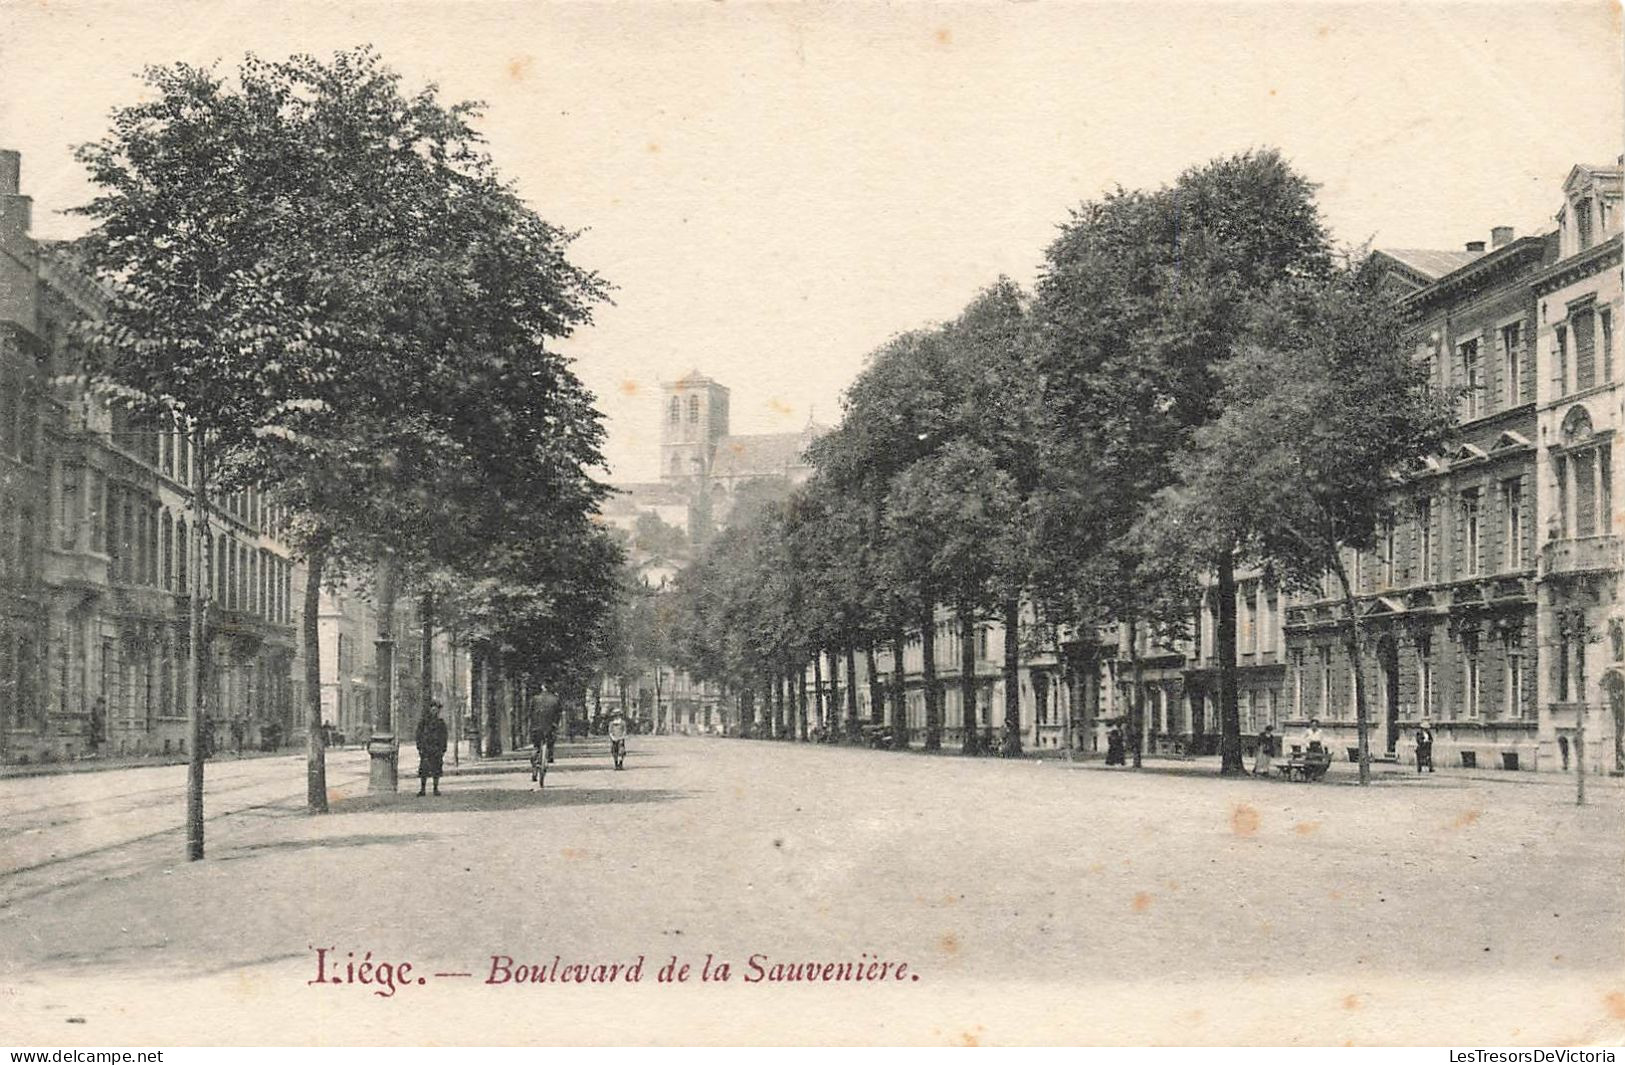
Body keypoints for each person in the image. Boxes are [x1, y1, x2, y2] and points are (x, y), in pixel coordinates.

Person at [415, 701, 449, 796]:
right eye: (433, 709)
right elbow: (418, 735)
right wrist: (419, 747)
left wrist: (443, 749)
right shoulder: (424, 722)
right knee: (424, 770)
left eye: (436, 709)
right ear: (430, 710)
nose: (434, 711)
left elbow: (444, 736)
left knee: (436, 769)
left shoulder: (441, 723)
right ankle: (423, 789)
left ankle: (435, 788)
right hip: (426, 749)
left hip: (436, 749)